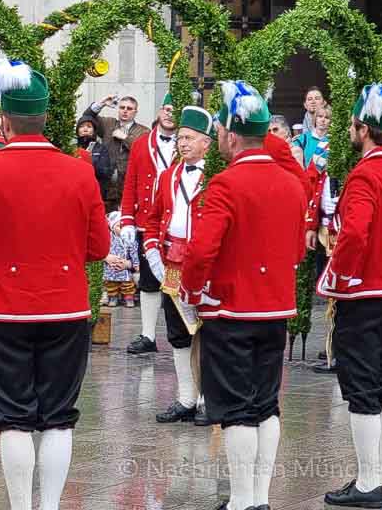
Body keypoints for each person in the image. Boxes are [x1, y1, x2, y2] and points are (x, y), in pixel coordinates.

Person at [0, 60, 110, 510]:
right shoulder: (79, 170)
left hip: (1, 308)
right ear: (45, 118)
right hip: (65, 309)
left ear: (5, 122)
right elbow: (99, 247)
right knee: (59, 419)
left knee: (13, 418)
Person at [179, 80, 307, 510]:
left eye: (220, 130)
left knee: (236, 407)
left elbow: (201, 251)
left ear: (232, 135)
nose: (217, 137)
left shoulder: (225, 184)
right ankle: (260, 497)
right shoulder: (292, 183)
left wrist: (192, 290)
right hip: (275, 306)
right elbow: (296, 250)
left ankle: (240, 500)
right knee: (266, 404)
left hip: (230, 308)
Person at [315, 83, 382, 508]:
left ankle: (368, 482)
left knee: (361, 387)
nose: (349, 129)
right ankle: (381, 477)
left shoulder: (364, 174)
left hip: (363, 293)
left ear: (363, 129)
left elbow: (355, 233)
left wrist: (340, 276)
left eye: (352, 124)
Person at [141, 106, 215, 425]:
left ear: (206, 143)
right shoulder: (168, 175)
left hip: (206, 266)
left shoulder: (217, 176)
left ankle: (208, 399)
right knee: (178, 333)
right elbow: (154, 218)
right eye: (180, 138)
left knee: (208, 331)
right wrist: (152, 251)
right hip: (172, 264)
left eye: (189, 138)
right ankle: (186, 398)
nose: (183, 143)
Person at [119, 94, 178, 356]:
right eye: (166, 109)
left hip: (175, 225)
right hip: (147, 223)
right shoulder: (142, 143)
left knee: (174, 281)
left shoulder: (188, 144)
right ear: (159, 112)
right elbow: (131, 182)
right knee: (148, 280)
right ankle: (148, 335)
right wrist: (127, 219)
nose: (169, 114)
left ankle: (180, 333)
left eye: (174, 110)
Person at [81, 94, 149, 207]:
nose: (125, 111)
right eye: (122, 107)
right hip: (106, 185)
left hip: (128, 185)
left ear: (135, 112)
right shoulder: (109, 123)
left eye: (129, 108)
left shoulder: (143, 131)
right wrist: (102, 103)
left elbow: (143, 151)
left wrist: (125, 138)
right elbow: (87, 118)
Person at [103, 211, 137, 307]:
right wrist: (106, 257)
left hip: (125, 266)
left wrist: (134, 263)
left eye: (123, 227)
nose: (121, 229)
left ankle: (128, 297)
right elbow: (101, 249)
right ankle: (113, 296)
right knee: (111, 283)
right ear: (112, 227)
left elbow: (134, 251)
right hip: (111, 266)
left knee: (127, 283)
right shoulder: (108, 238)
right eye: (118, 226)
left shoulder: (129, 238)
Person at [77, 115, 113, 201]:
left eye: (89, 126)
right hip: (75, 190)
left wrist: (88, 161)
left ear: (94, 131)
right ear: (77, 130)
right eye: (81, 126)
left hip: (94, 192)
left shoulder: (101, 149)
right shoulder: (71, 148)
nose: (85, 129)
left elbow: (105, 172)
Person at [294, 103, 330, 168]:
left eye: (327, 117)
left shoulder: (334, 140)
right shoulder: (303, 139)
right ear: (315, 118)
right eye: (320, 116)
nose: (323, 120)